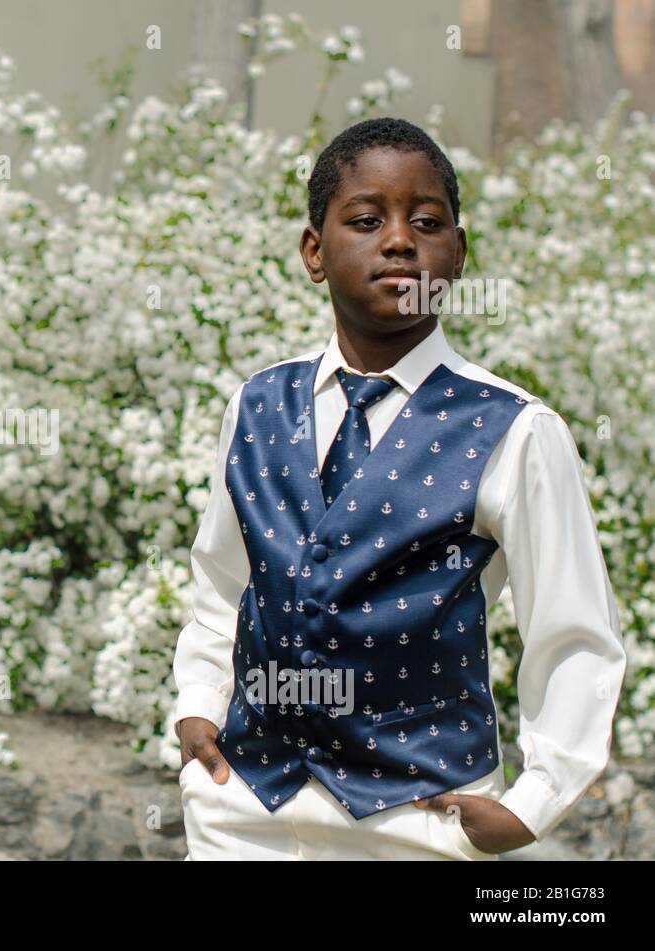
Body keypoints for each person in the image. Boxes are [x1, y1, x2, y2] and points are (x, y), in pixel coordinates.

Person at [171, 117, 626, 860]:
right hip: (244, 810)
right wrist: (198, 709)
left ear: (460, 252)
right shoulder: (257, 405)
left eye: (427, 222)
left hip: (418, 823)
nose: (399, 241)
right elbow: (224, 581)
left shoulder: (515, 429)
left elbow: (574, 632)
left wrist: (533, 802)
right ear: (314, 252)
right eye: (365, 219)